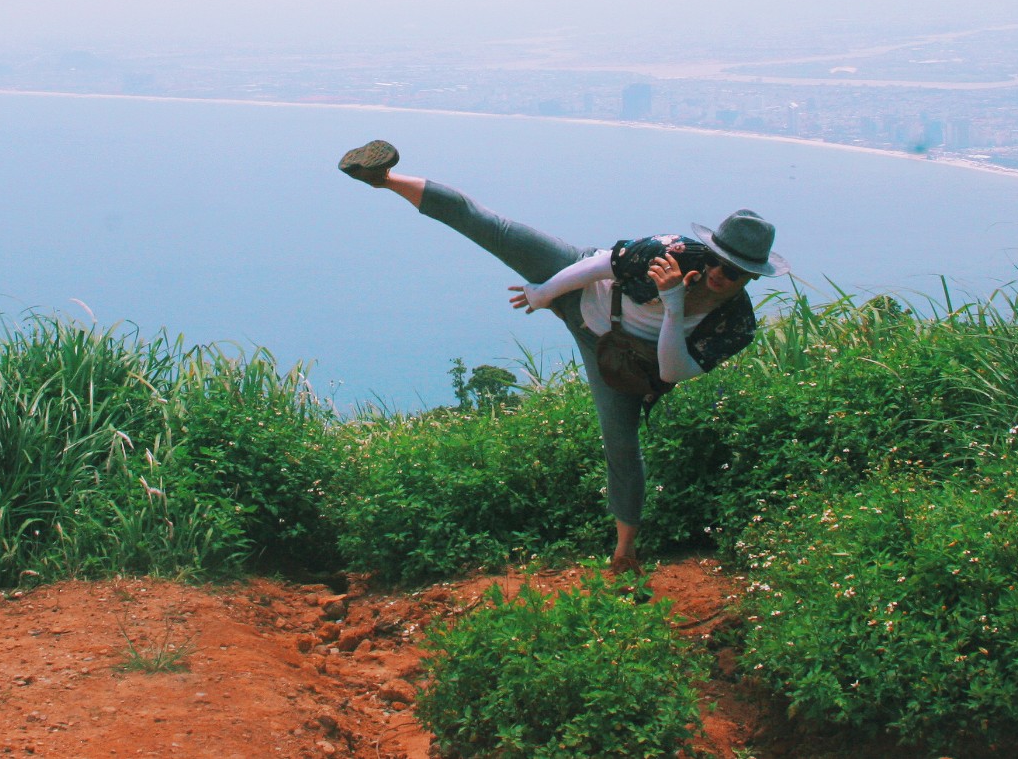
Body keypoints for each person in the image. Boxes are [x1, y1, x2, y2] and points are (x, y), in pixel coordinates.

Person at [337, 138, 786, 572]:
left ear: (752, 277)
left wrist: (672, 303)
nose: (719, 273)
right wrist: (543, 294)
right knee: (493, 228)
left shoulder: (735, 324)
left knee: (622, 447)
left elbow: (672, 371)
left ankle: (625, 551)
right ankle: (384, 177)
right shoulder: (673, 250)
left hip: (615, 359)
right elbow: (601, 264)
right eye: (717, 259)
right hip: (580, 285)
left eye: (735, 271)